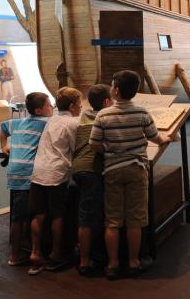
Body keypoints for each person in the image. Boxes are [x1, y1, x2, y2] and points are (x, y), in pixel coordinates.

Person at [90, 70, 171, 280]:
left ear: (115, 91)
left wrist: (109, 148)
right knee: (135, 218)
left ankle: (113, 264)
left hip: (112, 170)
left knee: (113, 219)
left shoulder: (103, 114)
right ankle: (134, 262)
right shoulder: (142, 113)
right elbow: (155, 138)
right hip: (137, 169)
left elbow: (94, 143)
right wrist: (169, 137)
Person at [28, 87, 83, 275]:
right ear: (73, 106)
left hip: (38, 171)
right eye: (80, 104)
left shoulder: (52, 120)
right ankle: (56, 253)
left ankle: (35, 252)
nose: (81, 107)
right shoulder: (74, 123)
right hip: (56, 173)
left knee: (39, 214)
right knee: (57, 214)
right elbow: (77, 148)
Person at [0, 92, 53, 268]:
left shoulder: (18, 122)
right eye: (48, 105)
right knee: (37, 213)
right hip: (30, 173)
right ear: (39, 110)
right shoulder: (46, 123)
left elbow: (3, 127)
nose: (51, 108)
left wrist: (4, 146)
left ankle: (15, 255)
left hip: (14, 172)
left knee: (18, 216)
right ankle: (33, 252)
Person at [72, 84, 113, 275]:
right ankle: (85, 262)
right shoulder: (105, 119)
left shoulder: (84, 116)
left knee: (87, 213)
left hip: (78, 167)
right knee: (88, 217)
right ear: (106, 102)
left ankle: (88, 255)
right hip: (91, 169)